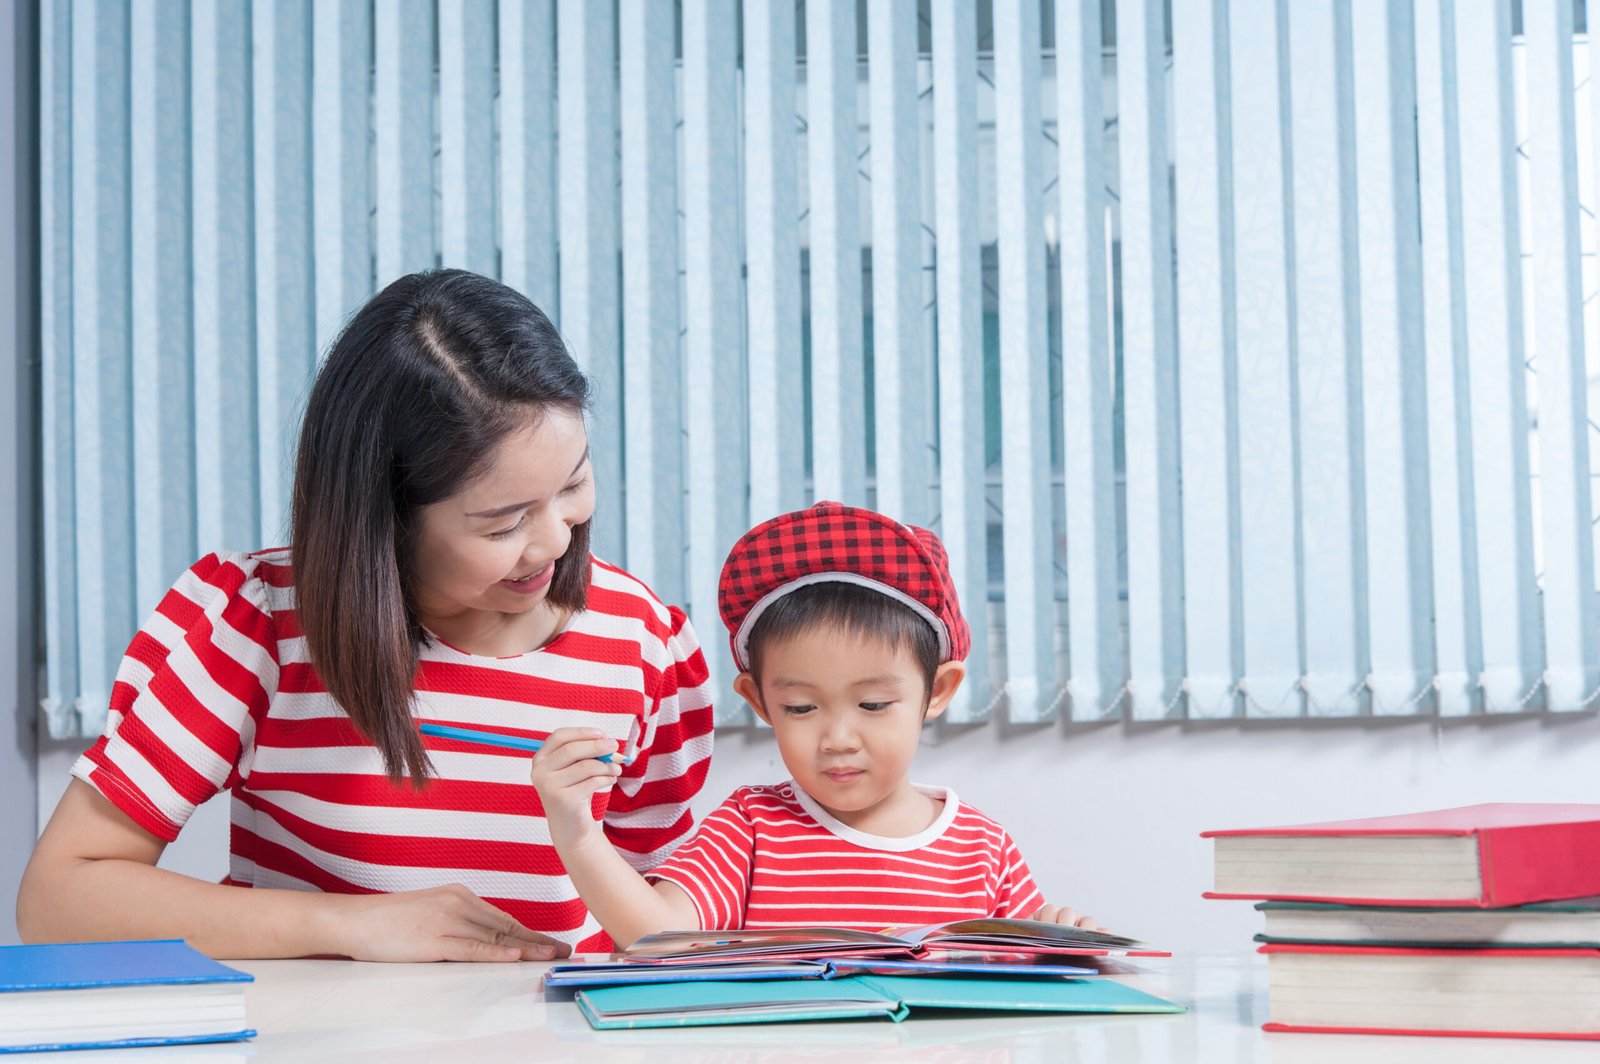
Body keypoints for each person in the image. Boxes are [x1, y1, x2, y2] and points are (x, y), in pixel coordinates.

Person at [17, 270, 715, 960]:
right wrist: (347, 925)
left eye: (574, 483)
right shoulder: (259, 626)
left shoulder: (641, 641)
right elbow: (58, 900)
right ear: (387, 518)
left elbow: (660, 926)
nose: (557, 541)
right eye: (503, 524)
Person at [531, 501, 1098, 949]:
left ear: (938, 691)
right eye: (801, 708)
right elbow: (659, 938)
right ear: (759, 701)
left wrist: (1064, 940)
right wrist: (579, 836)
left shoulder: (983, 850)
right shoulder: (749, 829)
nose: (838, 739)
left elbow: (1031, 976)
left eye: (873, 705)